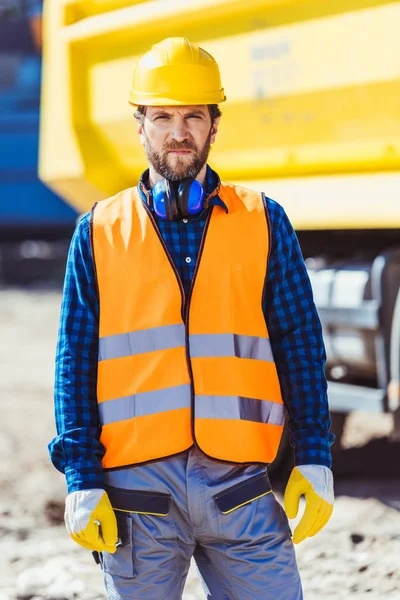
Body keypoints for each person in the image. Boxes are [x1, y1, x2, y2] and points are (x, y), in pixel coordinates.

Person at [49, 37, 335, 600]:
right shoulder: (98, 232)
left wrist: (316, 456)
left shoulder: (264, 221)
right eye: (162, 117)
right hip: (138, 496)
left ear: (214, 126)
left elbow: (299, 342)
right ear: (140, 127)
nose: (177, 132)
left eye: (192, 117)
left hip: (240, 489)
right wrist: (81, 478)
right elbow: (73, 361)